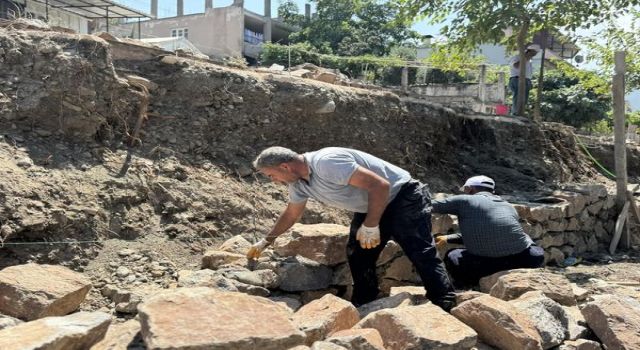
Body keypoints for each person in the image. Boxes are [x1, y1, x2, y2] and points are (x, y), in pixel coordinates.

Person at [247, 146, 456, 311]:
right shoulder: (298, 184)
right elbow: (292, 214)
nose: (272, 181)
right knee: (358, 253)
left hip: (404, 196)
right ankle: (365, 302)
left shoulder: (327, 162)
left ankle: (444, 303)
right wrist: (267, 240)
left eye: (270, 175)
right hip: (372, 203)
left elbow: (380, 185)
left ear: (285, 167)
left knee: (418, 249)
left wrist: (371, 224)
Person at [432, 175, 544, 288]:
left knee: (453, 256)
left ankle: (466, 286)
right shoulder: (508, 206)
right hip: (524, 262)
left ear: (470, 189)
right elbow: (493, 233)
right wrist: (448, 238)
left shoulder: (464, 200)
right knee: (528, 242)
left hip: (485, 267)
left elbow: (428, 205)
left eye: (465, 190)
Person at [509, 44, 540, 115]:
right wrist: (525, 59)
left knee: (524, 100)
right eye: (532, 53)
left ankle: (520, 113)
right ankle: (515, 114)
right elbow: (516, 66)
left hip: (526, 81)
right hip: (517, 80)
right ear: (528, 52)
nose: (533, 55)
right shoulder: (517, 57)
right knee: (518, 98)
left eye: (534, 54)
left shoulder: (530, 61)